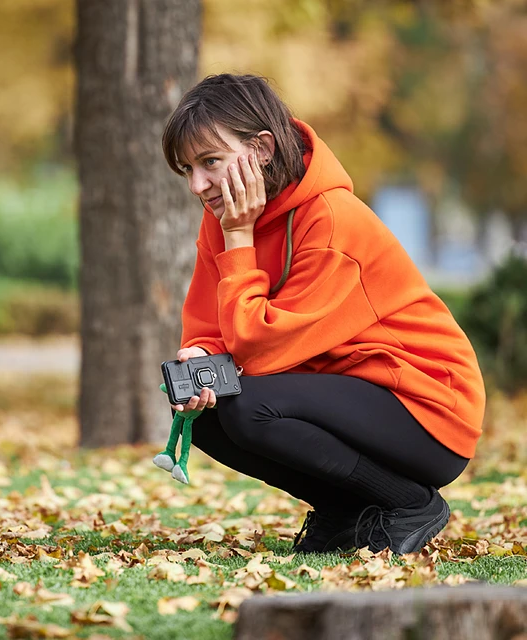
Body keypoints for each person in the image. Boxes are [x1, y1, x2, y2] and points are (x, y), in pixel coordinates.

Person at [160, 74, 486, 555]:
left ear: (263, 149)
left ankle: (411, 503)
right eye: (187, 168)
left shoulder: (330, 219)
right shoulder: (226, 220)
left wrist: (239, 241)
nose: (197, 185)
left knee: (249, 405)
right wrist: (200, 359)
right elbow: (212, 329)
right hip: (346, 392)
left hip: (428, 406)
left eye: (210, 162)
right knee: (206, 408)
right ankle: (344, 510)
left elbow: (263, 352)